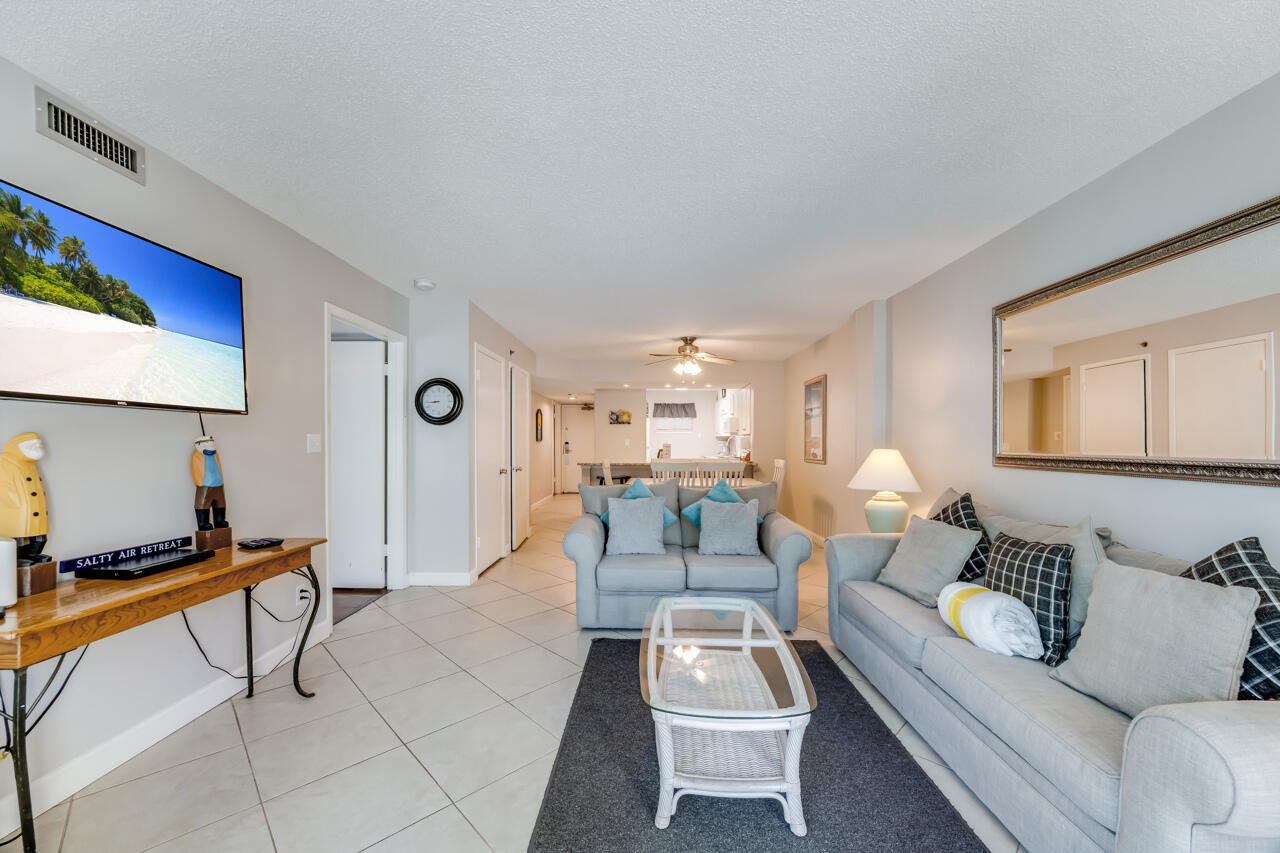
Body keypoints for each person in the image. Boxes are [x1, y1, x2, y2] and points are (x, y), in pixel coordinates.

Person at [0, 432, 50, 561]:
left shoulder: (30, 464)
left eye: (39, 444)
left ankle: (32, 561)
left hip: (34, 516)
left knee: (38, 539)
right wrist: (18, 505)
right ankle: (21, 565)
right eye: (32, 444)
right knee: (20, 541)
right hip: (17, 516)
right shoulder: (5, 462)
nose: (38, 446)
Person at [191, 436, 230, 532]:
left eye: (211, 442)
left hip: (218, 484)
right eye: (208, 443)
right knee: (203, 504)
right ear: (199, 444)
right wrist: (198, 481)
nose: (211, 444)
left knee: (220, 503)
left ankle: (219, 521)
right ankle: (203, 523)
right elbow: (194, 469)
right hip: (205, 484)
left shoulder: (215, 455)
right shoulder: (196, 455)